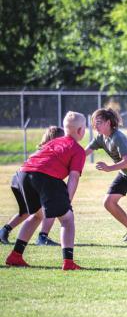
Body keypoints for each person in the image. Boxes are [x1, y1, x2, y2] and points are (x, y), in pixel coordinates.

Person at [5, 112, 87, 270]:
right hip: (43, 176)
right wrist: (66, 203)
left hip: (22, 174)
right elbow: (74, 177)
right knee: (67, 219)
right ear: (80, 130)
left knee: (37, 215)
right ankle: (68, 263)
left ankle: (15, 255)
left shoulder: (54, 142)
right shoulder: (77, 149)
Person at [85, 108, 127, 242]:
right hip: (125, 174)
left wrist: (109, 168)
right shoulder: (101, 138)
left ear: (108, 123)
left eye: (99, 122)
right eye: (94, 123)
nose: (95, 126)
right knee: (109, 202)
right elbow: (83, 153)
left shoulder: (118, 137)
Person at [1, 126, 65, 246]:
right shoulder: (53, 152)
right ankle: (43, 237)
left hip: (18, 179)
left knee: (26, 212)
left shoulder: (41, 150)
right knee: (49, 209)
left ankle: (3, 231)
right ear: (57, 139)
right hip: (30, 179)